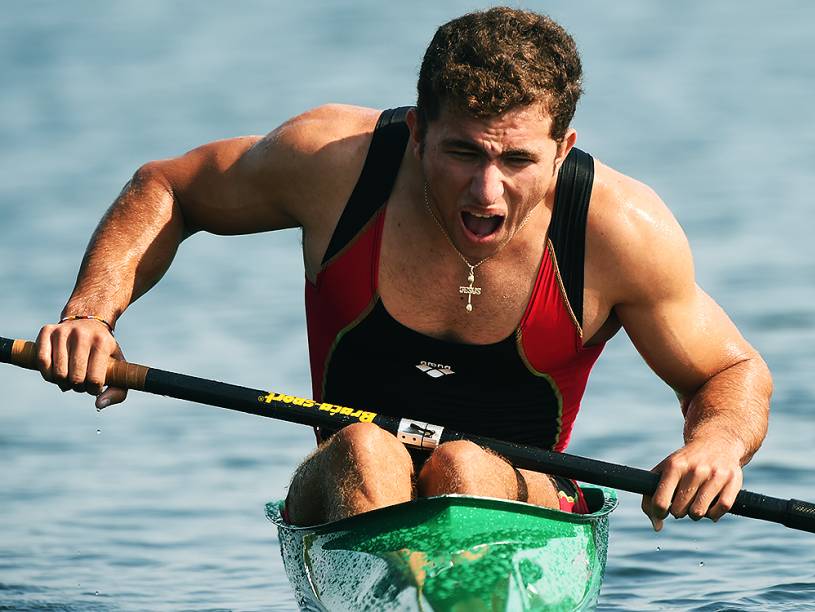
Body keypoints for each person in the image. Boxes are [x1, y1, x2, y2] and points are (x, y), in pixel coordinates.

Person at [34, 7, 771, 531]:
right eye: (462, 153)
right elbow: (171, 187)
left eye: (516, 160)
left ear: (561, 145)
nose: (487, 192)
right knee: (364, 445)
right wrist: (90, 318)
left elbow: (730, 371)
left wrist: (713, 445)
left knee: (463, 470)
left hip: (520, 495)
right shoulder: (334, 165)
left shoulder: (620, 229)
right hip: (350, 476)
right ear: (417, 131)